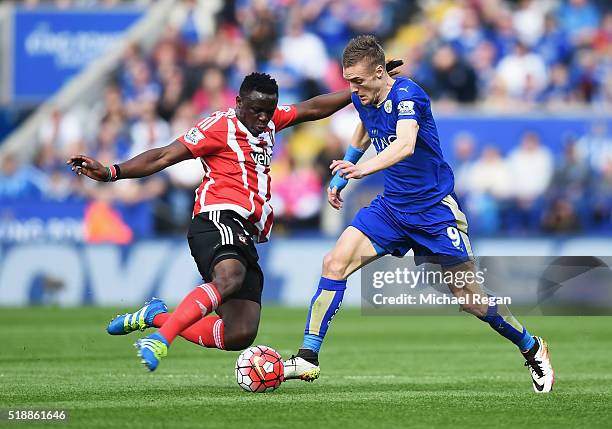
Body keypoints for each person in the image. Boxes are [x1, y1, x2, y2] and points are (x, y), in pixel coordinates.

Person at [67, 66, 402, 372]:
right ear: (238, 101)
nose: (261, 119)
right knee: (229, 276)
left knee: (239, 333)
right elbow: (165, 155)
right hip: (217, 217)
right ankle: (162, 339)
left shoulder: (270, 120)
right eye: (255, 111)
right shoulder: (219, 125)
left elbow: (313, 108)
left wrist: (361, 86)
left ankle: (157, 316)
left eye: (267, 112)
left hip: (247, 229)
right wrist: (112, 172)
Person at [283, 35, 554, 393]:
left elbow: (406, 144)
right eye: (348, 81)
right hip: (392, 208)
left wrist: (361, 172)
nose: (352, 89)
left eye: (359, 82)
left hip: (433, 212)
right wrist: (343, 171)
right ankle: (308, 356)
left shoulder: (408, 95)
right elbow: (365, 128)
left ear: (380, 72)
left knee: (472, 300)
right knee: (334, 262)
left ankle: (531, 346)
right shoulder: (364, 95)